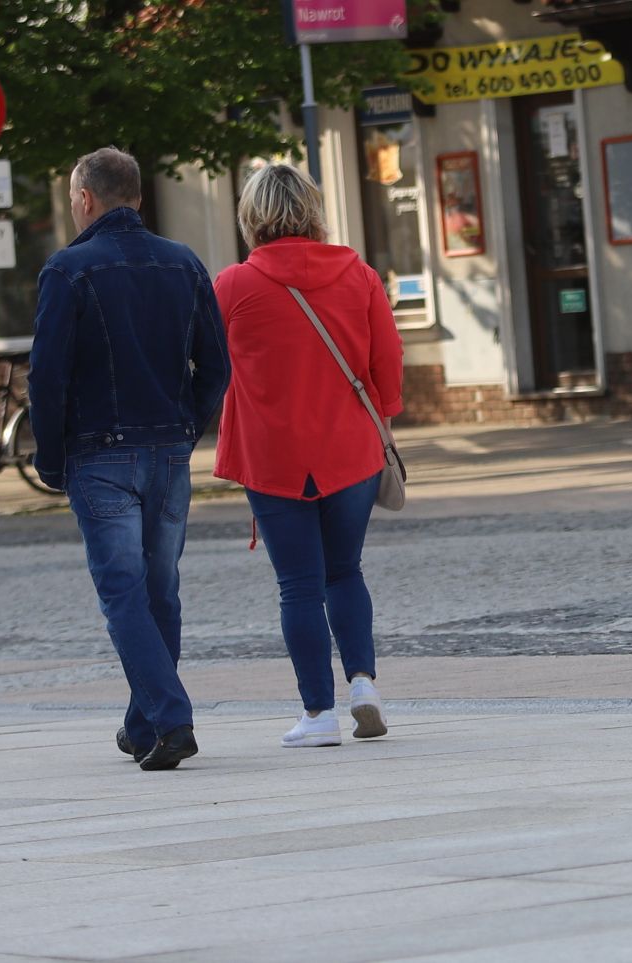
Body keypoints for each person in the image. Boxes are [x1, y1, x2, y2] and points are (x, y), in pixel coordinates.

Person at [29, 147, 230, 771]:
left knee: (123, 593)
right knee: (160, 591)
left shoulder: (68, 270)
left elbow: (47, 376)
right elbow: (217, 365)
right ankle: (143, 722)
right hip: (169, 451)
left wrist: (52, 458)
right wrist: (187, 427)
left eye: (70, 199)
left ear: (85, 198)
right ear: (137, 197)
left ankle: (171, 721)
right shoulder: (183, 263)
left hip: (100, 453)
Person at [213, 164, 403, 749]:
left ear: (251, 217)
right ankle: (364, 684)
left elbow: (205, 365)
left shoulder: (232, 286)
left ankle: (318, 714)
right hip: (351, 449)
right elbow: (387, 363)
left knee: (298, 585)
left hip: (273, 457)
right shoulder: (360, 275)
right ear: (314, 211)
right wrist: (384, 418)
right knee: (345, 571)